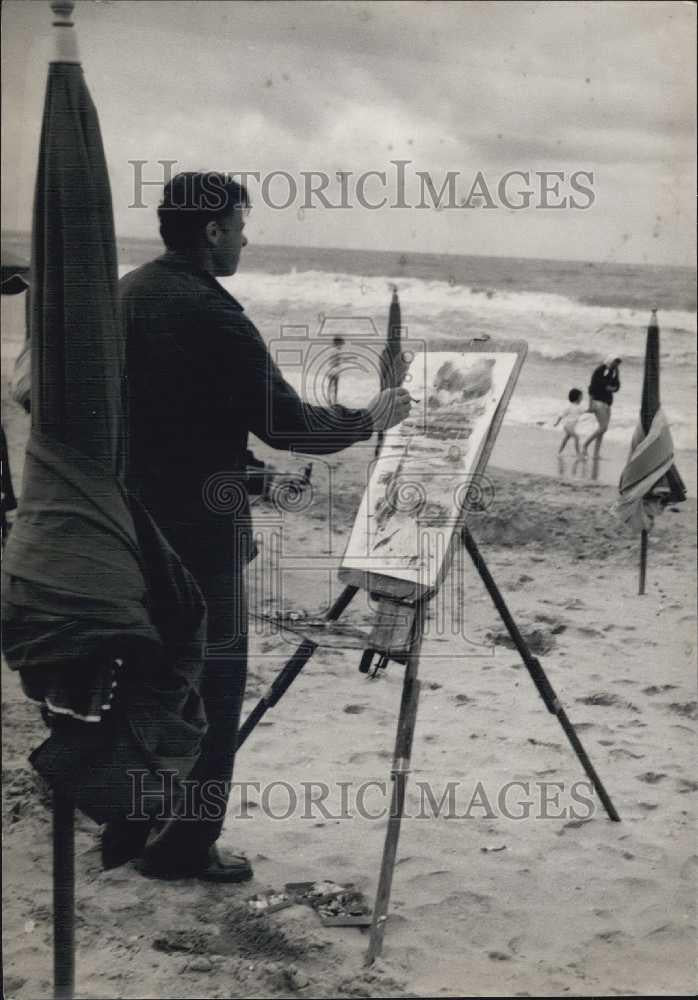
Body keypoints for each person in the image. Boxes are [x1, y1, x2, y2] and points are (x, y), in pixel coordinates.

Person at [116, 172, 410, 881]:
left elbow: (167, 421)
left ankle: (128, 827)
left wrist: (247, 474)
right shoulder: (212, 312)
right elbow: (290, 424)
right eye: (240, 224)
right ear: (213, 230)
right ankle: (185, 847)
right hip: (197, 535)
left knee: (149, 678)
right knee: (215, 684)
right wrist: (367, 419)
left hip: (126, 520)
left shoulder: (129, 292)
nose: (247, 237)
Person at [583, 354, 621, 456]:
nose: (616, 365)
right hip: (598, 402)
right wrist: (590, 404)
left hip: (607, 404)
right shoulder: (600, 370)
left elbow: (617, 387)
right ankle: (585, 445)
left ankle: (596, 453)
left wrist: (616, 375)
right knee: (603, 428)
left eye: (617, 363)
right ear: (609, 361)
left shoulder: (613, 372)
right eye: (615, 362)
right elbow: (591, 388)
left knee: (603, 429)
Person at [554, 388, 584, 454]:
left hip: (571, 427)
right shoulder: (569, 407)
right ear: (577, 398)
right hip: (568, 426)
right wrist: (556, 423)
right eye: (581, 397)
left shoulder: (579, 407)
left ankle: (559, 452)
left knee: (566, 438)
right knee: (577, 437)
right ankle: (578, 454)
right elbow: (561, 415)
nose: (582, 399)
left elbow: (585, 413)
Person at [326, 335, 344, 405]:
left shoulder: (331, 350)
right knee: (335, 386)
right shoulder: (337, 351)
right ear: (337, 343)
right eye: (340, 343)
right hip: (335, 369)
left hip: (330, 369)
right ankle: (334, 400)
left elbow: (330, 361)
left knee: (330, 385)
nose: (341, 345)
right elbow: (337, 361)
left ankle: (329, 399)